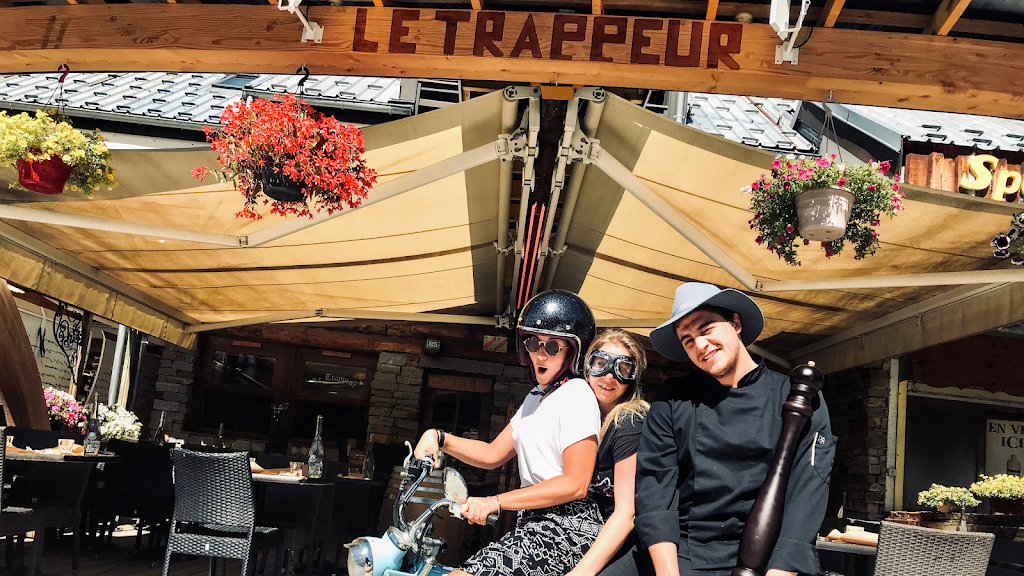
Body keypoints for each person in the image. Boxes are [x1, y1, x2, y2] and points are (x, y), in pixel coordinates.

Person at [635, 282, 834, 576]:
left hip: (771, 560)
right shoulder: (674, 399)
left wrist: (780, 571)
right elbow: (655, 489)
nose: (700, 345)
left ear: (736, 323)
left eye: (706, 329)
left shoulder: (796, 397)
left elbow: (808, 489)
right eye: (688, 340)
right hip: (686, 556)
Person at [413, 289, 603, 576]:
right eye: (533, 343)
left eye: (553, 347)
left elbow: (575, 483)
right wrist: (439, 438)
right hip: (533, 524)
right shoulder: (535, 398)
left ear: (572, 353)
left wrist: (496, 501)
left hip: (565, 528)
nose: (540, 354)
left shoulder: (577, 395)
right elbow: (492, 454)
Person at [568, 329, 653, 576]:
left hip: (629, 539)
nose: (608, 376)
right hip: (584, 531)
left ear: (632, 379)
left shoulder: (630, 423)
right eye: (601, 363)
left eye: (623, 369)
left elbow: (626, 513)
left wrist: (579, 574)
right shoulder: (577, 416)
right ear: (587, 366)